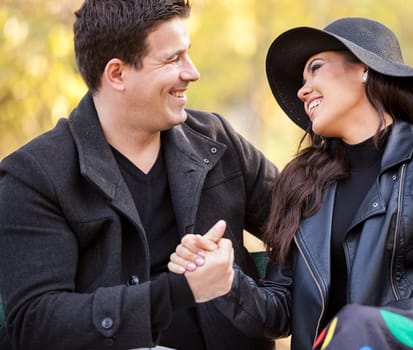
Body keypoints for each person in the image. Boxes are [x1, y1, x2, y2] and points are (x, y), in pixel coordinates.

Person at [170, 17, 413, 350]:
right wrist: (226, 281)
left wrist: (363, 326)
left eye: (315, 68)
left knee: (353, 325)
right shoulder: (301, 185)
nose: (302, 90)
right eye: (302, 80)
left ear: (365, 69)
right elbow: (281, 311)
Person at [0, 1, 279, 349]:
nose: (191, 72)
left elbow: (303, 218)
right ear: (117, 74)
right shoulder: (33, 176)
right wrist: (180, 291)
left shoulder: (216, 140)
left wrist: (262, 299)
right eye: (172, 59)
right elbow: (36, 322)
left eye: (187, 54)